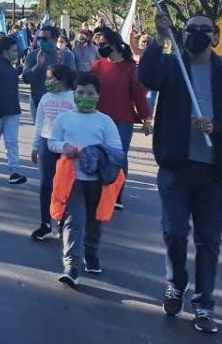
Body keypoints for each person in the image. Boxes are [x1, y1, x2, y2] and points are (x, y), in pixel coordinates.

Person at [139, 12, 222, 335]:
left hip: (213, 171)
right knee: (174, 232)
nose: (197, 34)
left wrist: (217, 126)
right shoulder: (173, 66)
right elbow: (146, 75)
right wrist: (159, 38)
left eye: (204, 30)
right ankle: (177, 282)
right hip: (175, 167)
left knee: (208, 241)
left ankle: (204, 304)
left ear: (215, 37)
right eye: (190, 29)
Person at [47, 74, 125, 288]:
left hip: (98, 182)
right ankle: (71, 266)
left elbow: (117, 150)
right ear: (74, 94)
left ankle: (91, 254)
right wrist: (65, 148)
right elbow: (52, 142)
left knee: (94, 221)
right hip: (72, 181)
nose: (85, 97)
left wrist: (94, 154)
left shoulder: (105, 121)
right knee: (74, 220)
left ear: (98, 96)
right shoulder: (64, 119)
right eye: (80, 93)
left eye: (90, 93)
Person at [91, 27, 152, 210]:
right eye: (98, 45)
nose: (100, 48)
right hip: (99, 119)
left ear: (115, 44)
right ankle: (100, 190)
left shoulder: (130, 68)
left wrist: (146, 118)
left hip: (122, 121)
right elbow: (87, 90)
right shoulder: (98, 67)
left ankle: (116, 194)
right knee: (99, 155)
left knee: (119, 156)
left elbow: (139, 96)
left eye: (103, 45)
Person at [30, 64, 76, 241]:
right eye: (46, 78)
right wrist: (35, 146)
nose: (47, 81)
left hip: (67, 145)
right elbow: (39, 123)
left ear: (62, 80)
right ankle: (45, 223)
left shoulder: (73, 98)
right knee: (45, 184)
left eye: (51, 78)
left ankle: (64, 220)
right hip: (47, 142)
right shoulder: (45, 98)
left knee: (64, 184)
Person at [0, 37, 26, 185]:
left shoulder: (10, 67)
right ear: (5, 52)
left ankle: (14, 170)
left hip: (12, 110)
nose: (17, 53)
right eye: (14, 51)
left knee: (11, 141)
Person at [22, 25, 76, 127]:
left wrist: (62, 65)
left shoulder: (67, 55)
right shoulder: (33, 55)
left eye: (45, 39)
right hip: (38, 101)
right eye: (39, 38)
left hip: (61, 103)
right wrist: (38, 66)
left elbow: (73, 81)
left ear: (55, 40)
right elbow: (26, 79)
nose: (41, 41)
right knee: (41, 136)